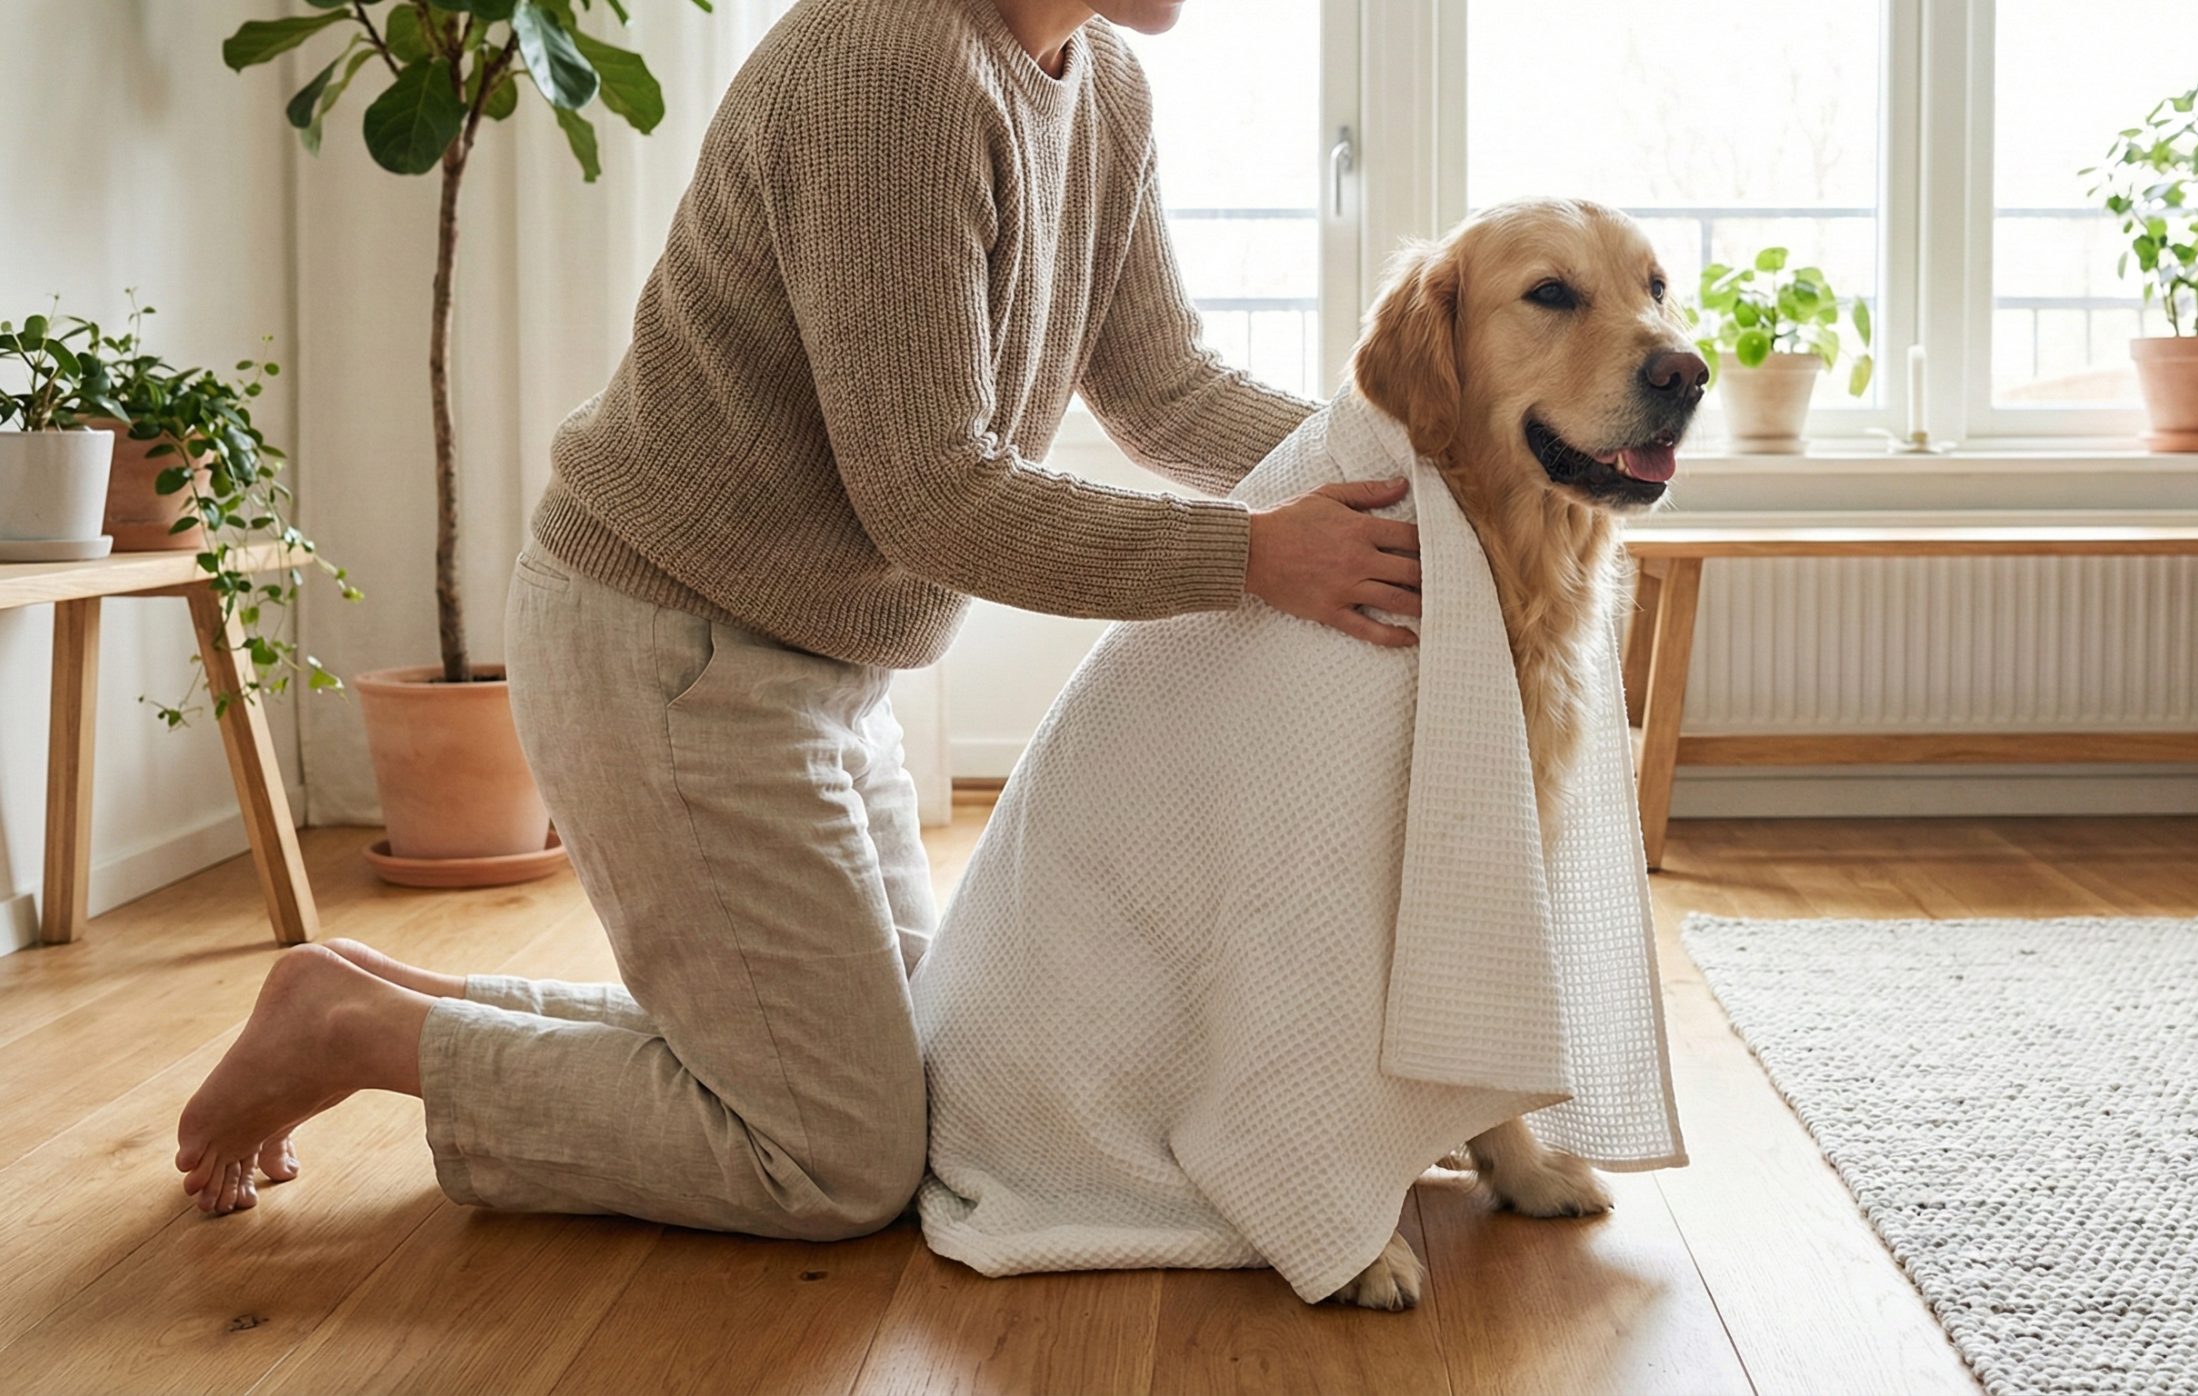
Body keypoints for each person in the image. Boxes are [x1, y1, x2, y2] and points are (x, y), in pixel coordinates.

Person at [172, 0, 1423, 1232]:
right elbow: (932, 494)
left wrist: (1417, 466)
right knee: (835, 1160)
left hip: (811, 666)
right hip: (672, 650)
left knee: (939, 1066)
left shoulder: (1099, 81)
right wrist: (1254, 555)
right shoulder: (893, 63)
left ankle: (365, 1001)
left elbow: (1164, 387)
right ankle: (363, 1035)